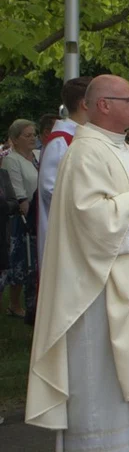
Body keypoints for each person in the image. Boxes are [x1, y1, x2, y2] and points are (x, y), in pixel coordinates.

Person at [26, 74, 129, 452]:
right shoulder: (85, 152)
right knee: (99, 370)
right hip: (96, 285)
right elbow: (88, 216)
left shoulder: (124, 149)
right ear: (103, 105)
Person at [37, 77, 91, 287]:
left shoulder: (78, 136)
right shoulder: (62, 141)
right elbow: (50, 189)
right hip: (65, 231)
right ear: (85, 103)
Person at [2, 119, 39, 318]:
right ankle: (15, 305)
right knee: (19, 262)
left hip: (40, 214)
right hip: (22, 218)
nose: (33, 138)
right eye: (28, 135)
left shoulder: (39, 156)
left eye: (34, 134)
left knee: (34, 262)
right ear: (15, 139)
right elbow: (18, 193)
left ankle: (32, 301)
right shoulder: (11, 160)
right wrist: (31, 219)